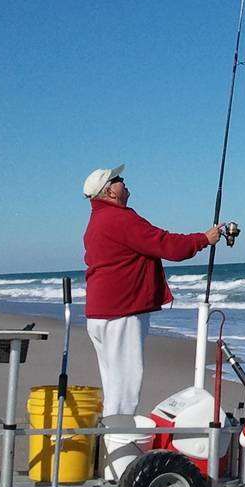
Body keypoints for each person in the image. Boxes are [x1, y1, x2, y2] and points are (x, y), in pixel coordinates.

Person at [83, 164, 222, 417]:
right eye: (119, 180)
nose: (124, 182)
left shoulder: (97, 220)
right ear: (109, 192)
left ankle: (111, 443)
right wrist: (204, 239)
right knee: (124, 390)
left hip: (102, 314)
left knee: (115, 387)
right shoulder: (119, 219)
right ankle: (119, 451)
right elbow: (166, 245)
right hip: (121, 314)